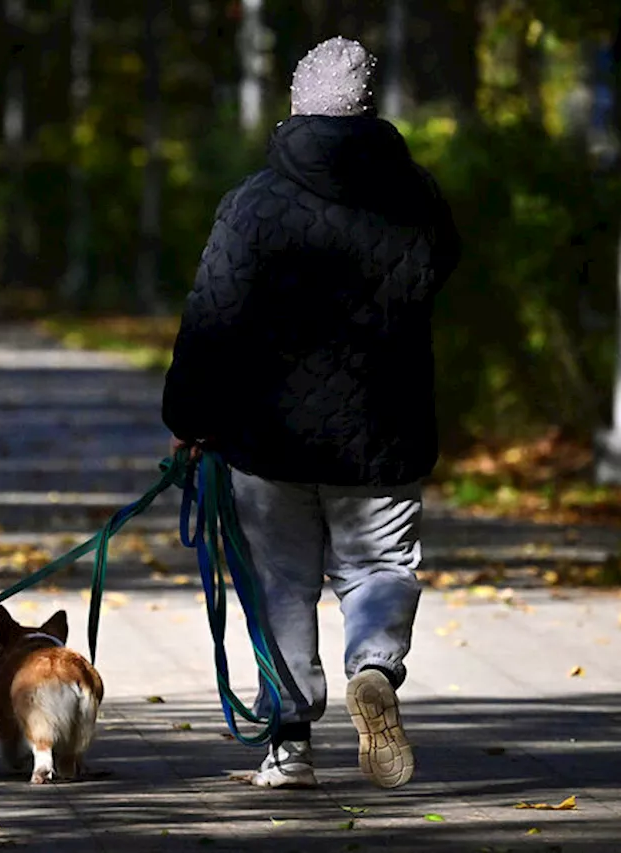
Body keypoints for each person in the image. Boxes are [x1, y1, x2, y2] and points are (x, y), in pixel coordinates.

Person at [162, 37, 460, 790]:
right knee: (380, 566)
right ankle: (375, 670)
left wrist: (189, 414)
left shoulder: (254, 202)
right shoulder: (416, 194)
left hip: (269, 436)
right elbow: (441, 269)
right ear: (367, 108)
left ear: (296, 106)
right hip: (383, 433)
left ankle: (289, 741)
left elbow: (212, 315)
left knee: (279, 581)